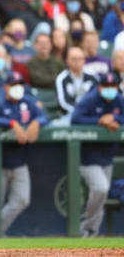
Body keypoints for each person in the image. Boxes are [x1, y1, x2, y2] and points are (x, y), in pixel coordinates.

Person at [0, 72, 48, 235]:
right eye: (13, 84)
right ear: (5, 87)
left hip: (20, 161)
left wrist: (36, 122)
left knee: (22, 199)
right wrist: (12, 123)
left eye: (20, 84)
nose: (17, 88)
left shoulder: (28, 102)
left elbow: (44, 117)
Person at [71, 72, 124, 237]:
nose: (110, 89)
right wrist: (99, 120)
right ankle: (85, 223)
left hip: (107, 155)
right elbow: (75, 119)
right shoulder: (90, 99)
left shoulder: (118, 100)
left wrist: (115, 118)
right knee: (101, 189)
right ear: (100, 87)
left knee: (101, 194)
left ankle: (90, 233)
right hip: (88, 157)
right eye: (106, 86)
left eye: (113, 86)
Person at [56, 47, 97, 115]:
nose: (77, 62)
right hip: (69, 115)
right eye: (74, 59)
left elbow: (97, 97)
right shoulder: (62, 78)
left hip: (91, 113)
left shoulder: (92, 77)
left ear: (84, 60)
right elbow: (63, 102)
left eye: (80, 59)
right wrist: (79, 112)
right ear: (67, 60)